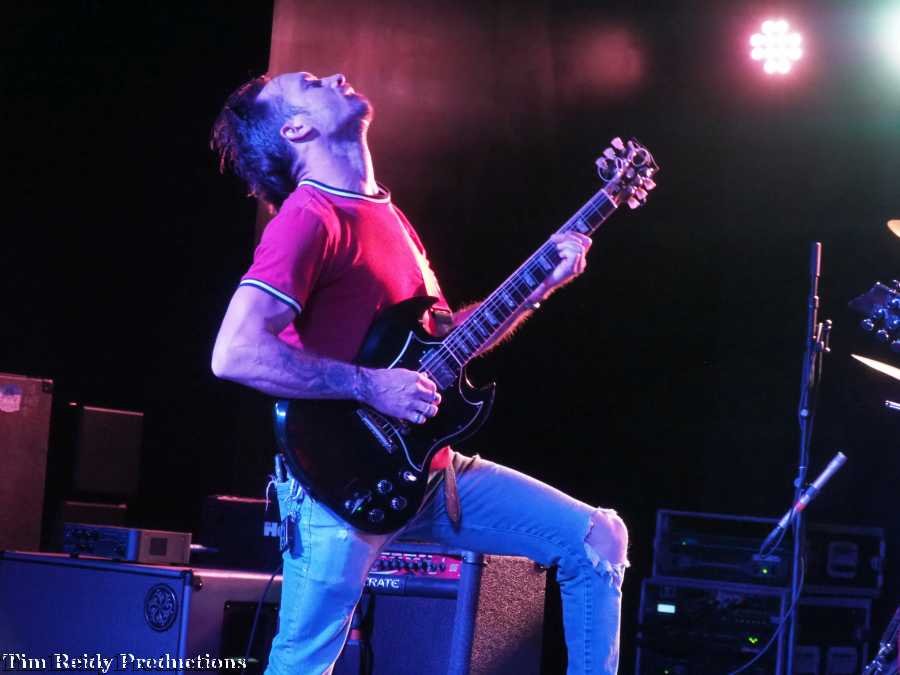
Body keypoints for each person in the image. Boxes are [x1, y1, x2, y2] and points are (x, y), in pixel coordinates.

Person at [210, 71, 629, 675]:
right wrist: (369, 385)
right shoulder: (310, 216)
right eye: (311, 83)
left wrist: (540, 286)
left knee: (597, 539)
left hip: (429, 473)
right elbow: (234, 352)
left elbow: (446, 343)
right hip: (339, 482)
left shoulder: (390, 218)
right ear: (295, 129)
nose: (334, 76)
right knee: (302, 662)